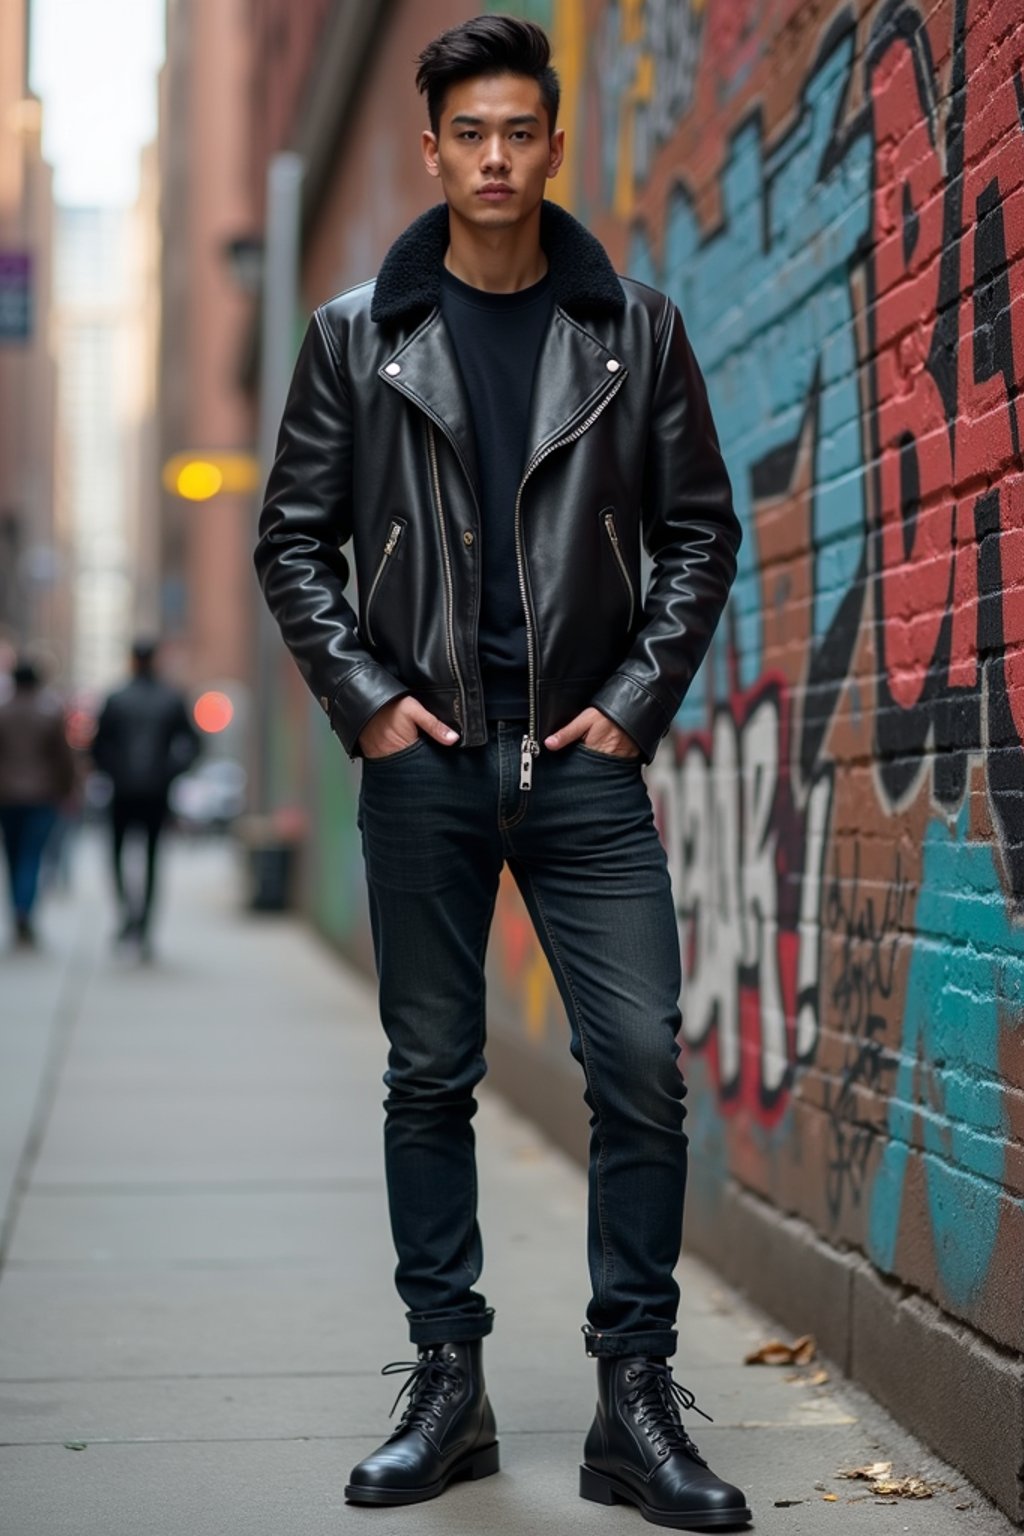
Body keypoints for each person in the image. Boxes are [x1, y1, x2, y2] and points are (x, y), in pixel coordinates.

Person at [255, 16, 749, 1528]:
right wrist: (371, 704)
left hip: (584, 763)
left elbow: (697, 532)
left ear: (550, 143)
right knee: (430, 1076)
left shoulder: (636, 333)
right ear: (432, 149)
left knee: (641, 1071)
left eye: (517, 132)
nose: (491, 157)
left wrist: (632, 702)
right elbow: (292, 540)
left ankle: (636, 1400)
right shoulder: (355, 336)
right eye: (467, 133)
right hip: (428, 763)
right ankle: (447, 1384)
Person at [91, 639, 200, 955]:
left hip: (124, 792)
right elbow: (193, 744)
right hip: (155, 792)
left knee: (117, 857)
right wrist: (170, 771)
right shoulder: (171, 697)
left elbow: (98, 747)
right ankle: (143, 925)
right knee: (152, 860)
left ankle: (130, 917)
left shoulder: (117, 698)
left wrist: (113, 771)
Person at [0, 657, 75, 947]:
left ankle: (18, 912)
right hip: (42, 796)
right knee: (31, 857)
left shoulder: (3, 713)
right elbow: (64, 758)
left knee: (13, 857)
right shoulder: (50, 713)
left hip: (6, 796)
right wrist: (68, 790)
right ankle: (24, 912)